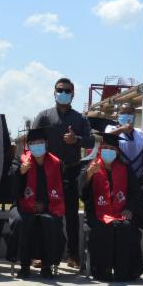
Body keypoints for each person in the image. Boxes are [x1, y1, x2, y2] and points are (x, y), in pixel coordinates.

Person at [31, 77, 94, 268]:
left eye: (67, 90)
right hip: (46, 171)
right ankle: (41, 254)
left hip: (71, 170)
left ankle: (73, 255)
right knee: (44, 212)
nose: (63, 93)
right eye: (60, 90)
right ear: (54, 92)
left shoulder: (80, 118)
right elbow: (32, 140)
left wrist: (77, 140)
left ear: (73, 94)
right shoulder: (43, 116)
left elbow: (91, 141)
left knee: (71, 215)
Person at [79, 131, 143, 282]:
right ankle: (102, 271)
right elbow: (83, 194)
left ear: (117, 151)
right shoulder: (91, 166)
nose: (109, 151)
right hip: (99, 213)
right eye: (106, 147)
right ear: (101, 149)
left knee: (127, 227)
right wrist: (89, 175)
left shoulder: (125, 168)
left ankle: (125, 272)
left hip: (122, 212)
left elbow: (136, 192)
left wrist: (129, 208)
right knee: (104, 228)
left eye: (112, 148)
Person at [9, 127, 66, 279]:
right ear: (28, 146)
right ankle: (24, 265)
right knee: (21, 221)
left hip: (49, 206)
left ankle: (47, 265)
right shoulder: (20, 161)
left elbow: (62, 189)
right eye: (33, 143)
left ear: (46, 143)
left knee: (50, 221)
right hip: (23, 206)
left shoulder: (57, 163)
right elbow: (11, 188)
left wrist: (45, 205)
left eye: (40, 142)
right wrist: (20, 173)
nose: (37, 146)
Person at [114, 103, 143, 181]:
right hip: (118, 179)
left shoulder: (140, 133)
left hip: (137, 179)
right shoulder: (111, 129)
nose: (126, 115)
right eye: (123, 113)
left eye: (129, 113)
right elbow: (106, 139)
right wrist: (121, 129)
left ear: (134, 115)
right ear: (117, 115)